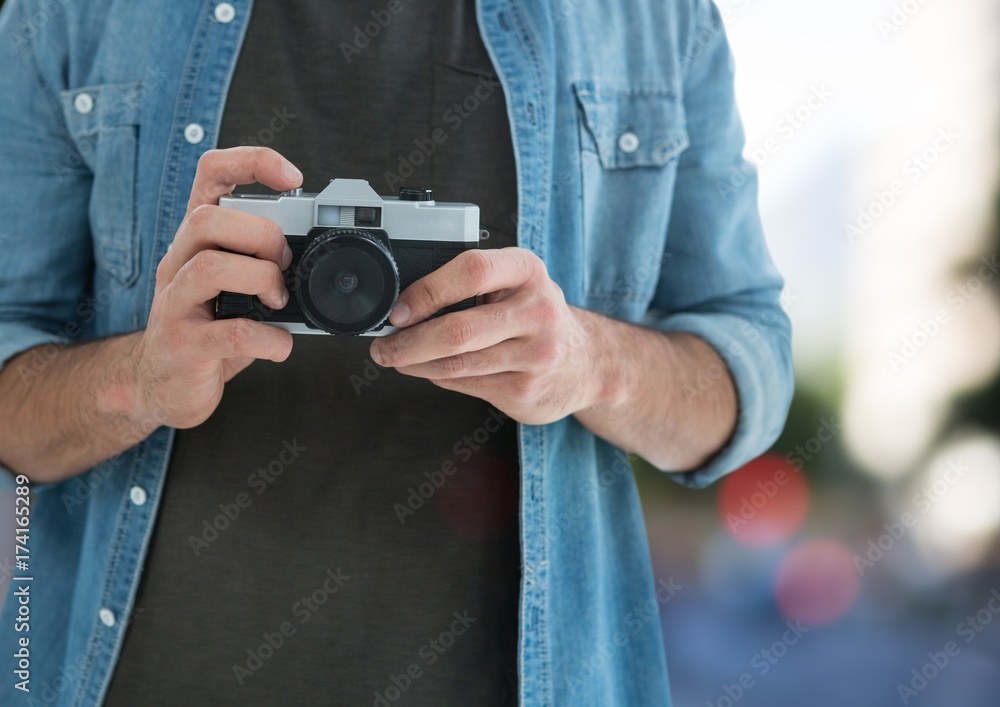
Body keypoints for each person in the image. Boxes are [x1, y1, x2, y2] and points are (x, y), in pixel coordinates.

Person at [0, 0, 793, 705]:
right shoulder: (71, 13)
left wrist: (590, 363)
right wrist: (137, 381)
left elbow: (749, 367)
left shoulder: (654, 18)